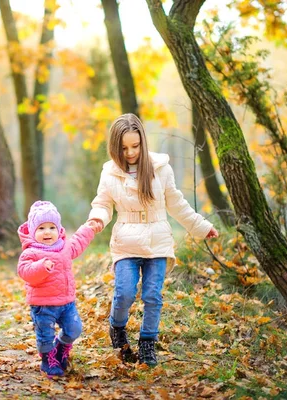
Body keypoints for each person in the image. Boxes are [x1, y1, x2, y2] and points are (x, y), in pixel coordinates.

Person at [88, 113, 219, 366]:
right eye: (123, 148)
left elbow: (177, 205)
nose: (130, 152)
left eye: (135, 146)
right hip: (126, 241)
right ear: (115, 146)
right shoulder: (110, 173)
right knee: (124, 292)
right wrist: (97, 219)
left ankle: (147, 344)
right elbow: (102, 203)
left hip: (158, 241)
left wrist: (202, 227)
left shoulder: (161, 169)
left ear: (143, 142)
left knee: (152, 295)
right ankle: (117, 327)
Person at [17, 200, 98, 377]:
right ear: (32, 231)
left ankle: (61, 348)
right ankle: (48, 360)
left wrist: (89, 228)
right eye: (41, 228)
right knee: (45, 335)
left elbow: (78, 242)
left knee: (74, 328)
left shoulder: (64, 247)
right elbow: (24, 271)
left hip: (66, 302)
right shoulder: (30, 252)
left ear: (59, 229)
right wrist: (41, 267)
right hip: (42, 305)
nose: (47, 232)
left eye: (52, 227)